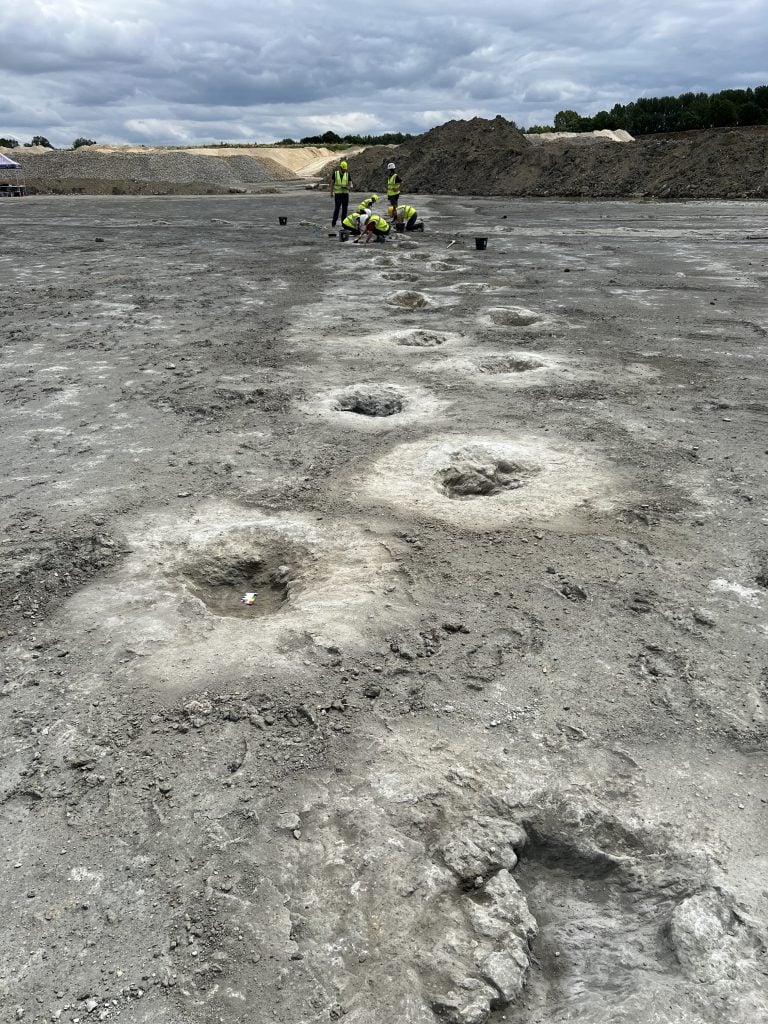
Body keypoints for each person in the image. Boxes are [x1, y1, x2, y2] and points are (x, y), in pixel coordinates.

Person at [330, 159, 352, 227]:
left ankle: (344, 223)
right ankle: (334, 222)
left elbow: (351, 184)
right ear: (340, 168)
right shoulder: (335, 174)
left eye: (345, 169)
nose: (344, 170)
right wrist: (331, 192)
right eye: (343, 169)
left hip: (345, 194)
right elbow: (332, 184)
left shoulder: (347, 174)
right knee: (337, 209)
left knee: (345, 210)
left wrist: (349, 187)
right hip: (338, 194)